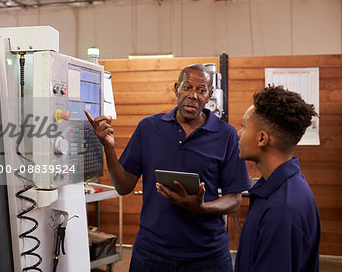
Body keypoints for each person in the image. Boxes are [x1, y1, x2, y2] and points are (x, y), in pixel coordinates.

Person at [85, 64, 250, 272]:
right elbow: (124, 186)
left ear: (209, 95)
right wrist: (108, 149)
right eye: (187, 87)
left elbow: (234, 199)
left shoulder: (226, 135)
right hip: (151, 253)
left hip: (207, 256)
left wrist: (202, 208)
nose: (193, 95)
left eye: (201, 90)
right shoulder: (149, 128)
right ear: (176, 89)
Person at [235, 85, 320, 271]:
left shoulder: (282, 212)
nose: (239, 135)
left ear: (262, 139)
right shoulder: (281, 189)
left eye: (243, 127)